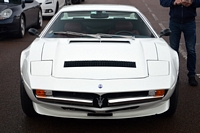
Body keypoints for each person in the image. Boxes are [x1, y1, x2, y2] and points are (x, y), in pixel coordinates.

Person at [160, 0, 200, 86]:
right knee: (174, 50)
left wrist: (192, 2)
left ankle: (191, 76)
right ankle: (175, 75)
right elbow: (163, 2)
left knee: (191, 50)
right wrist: (174, 2)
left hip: (190, 22)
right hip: (174, 23)